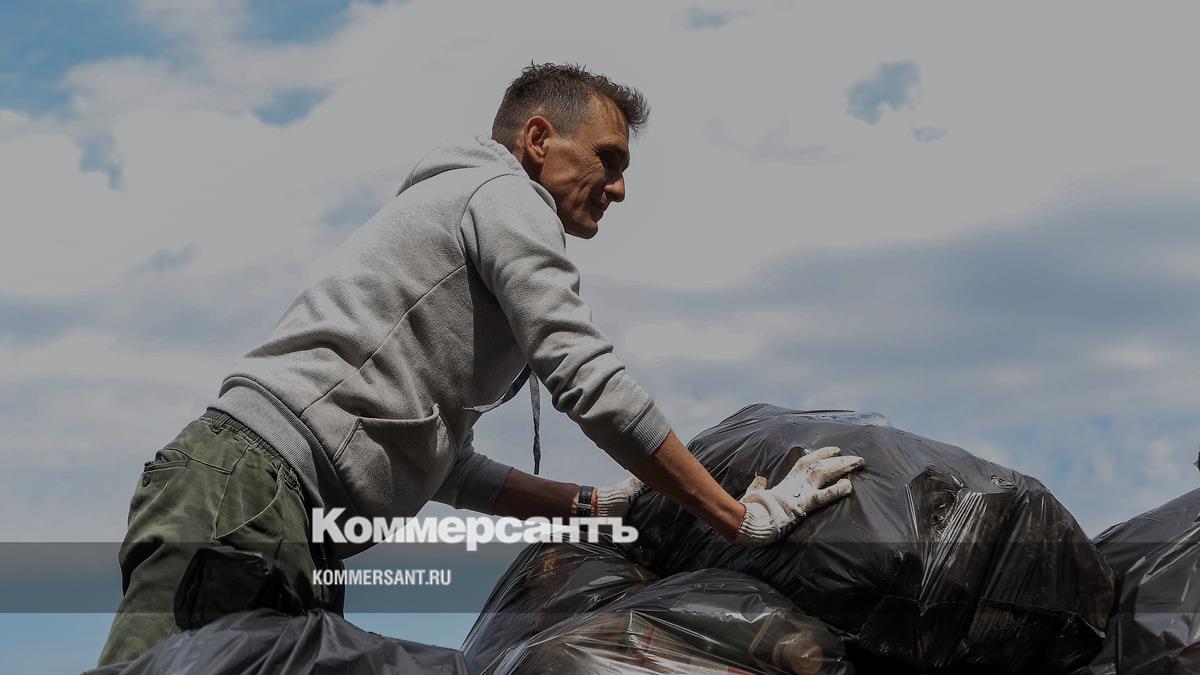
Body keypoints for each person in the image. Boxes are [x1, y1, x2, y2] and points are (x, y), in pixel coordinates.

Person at [97, 62, 864, 666]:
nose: (621, 188)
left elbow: (450, 467)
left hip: (289, 517)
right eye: (608, 159)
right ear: (539, 139)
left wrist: (595, 506)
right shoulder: (503, 196)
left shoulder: (469, 223)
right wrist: (737, 516)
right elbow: (587, 376)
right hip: (246, 493)